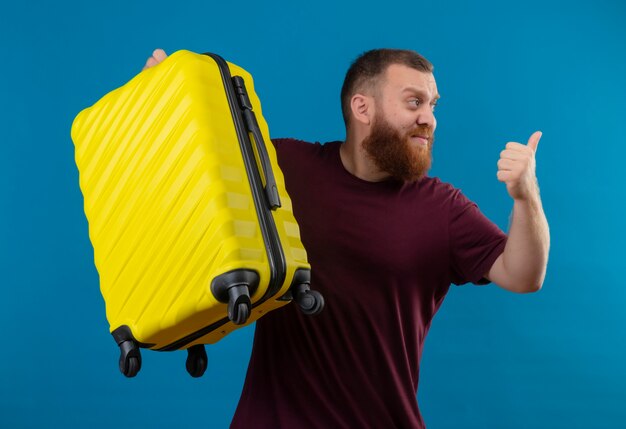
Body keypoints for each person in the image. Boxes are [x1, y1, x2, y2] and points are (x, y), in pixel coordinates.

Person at [143, 48, 550, 428]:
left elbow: (523, 275)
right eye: (414, 102)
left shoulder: (442, 209)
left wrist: (526, 195)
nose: (429, 118)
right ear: (362, 108)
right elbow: (195, 178)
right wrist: (162, 102)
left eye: (433, 105)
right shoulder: (285, 168)